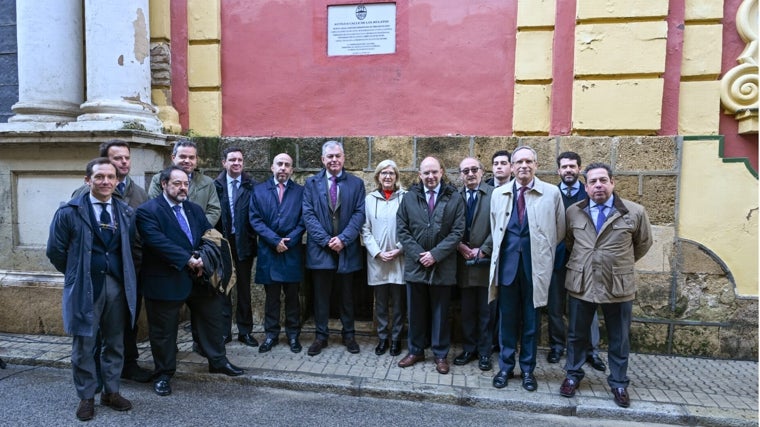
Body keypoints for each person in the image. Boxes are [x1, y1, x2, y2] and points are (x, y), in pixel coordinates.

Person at [137, 166, 244, 397]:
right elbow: (157, 241)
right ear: (164, 184)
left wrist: (203, 258)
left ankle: (217, 361)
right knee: (164, 332)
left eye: (185, 183)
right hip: (165, 279)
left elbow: (209, 234)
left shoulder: (194, 209)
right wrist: (187, 259)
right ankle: (164, 373)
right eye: (177, 183)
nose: (182, 187)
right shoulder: (148, 211)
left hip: (199, 279)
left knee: (212, 320)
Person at [47, 157, 138, 421]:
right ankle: (87, 396)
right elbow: (55, 251)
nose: (106, 181)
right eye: (99, 177)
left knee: (114, 342)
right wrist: (77, 275)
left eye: (111, 177)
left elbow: (127, 249)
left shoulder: (125, 212)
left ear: (117, 181)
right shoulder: (69, 212)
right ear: (88, 180)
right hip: (86, 287)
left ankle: (111, 391)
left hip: (117, 287)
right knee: (84, 344)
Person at [559, 163, 652, 408]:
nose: (598, 185)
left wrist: (617, 263)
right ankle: (573, 375)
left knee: (619, 337)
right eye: (592, 182)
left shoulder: (635, 212)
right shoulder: (573, 212)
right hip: (582, 282)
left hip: (618, 285)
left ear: (612, 182)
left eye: (603, 180)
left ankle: (619, 382)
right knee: (576, 335)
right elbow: (570, 241)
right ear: (586, 187)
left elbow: (642, 244)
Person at [72, 140, 152, 384]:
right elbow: (64, 244)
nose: (124, 162)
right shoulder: (83, 194)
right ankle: (94, 372)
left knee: (127, 322)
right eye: (118, 158)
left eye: (127, 158)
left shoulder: (139, 193)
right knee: (94, 326)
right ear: (105, 162)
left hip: (130, 271)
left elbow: (145, 231)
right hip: (95, 274)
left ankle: (127, 365)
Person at [488, 146, 565, 391]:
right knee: (507, 321)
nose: (524, 165)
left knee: (531, 323)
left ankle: (528, 371)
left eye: (528, 161)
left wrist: (541, 251)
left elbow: (559, 230)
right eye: (518, 161)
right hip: (508, 268)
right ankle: (506, 367)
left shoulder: (551, 193)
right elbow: (494, 227)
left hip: (535, 268)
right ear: (511, 166)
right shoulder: (498, 193)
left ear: (536, 165)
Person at [396, 156, 465, 375]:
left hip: (442, 265)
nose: (430, 176)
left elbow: (457, 232)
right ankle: (416, 350)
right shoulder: (409, 198)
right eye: (426, 173)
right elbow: (402, 229)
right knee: (415, 312)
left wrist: (435, 254)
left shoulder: (454, 197)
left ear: (442, 172)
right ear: (420, 175)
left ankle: (441, 354)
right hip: (416, 265)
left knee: (440, 313)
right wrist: (419, 255)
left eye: (434, 172)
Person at [303, 141, 366, 356]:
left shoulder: (356, 184)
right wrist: (327, 240)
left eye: (337, 156)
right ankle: (321, 336)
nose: (334, 160)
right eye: (329, 156)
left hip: (346, 250)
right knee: (321, 296)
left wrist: (344, 239)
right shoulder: (311, 183)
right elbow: (308, 215)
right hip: (321, 250)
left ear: (344, 158)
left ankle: (349, 334)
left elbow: (359, 214)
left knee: (347, 295)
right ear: (323, 160)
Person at [546, 152, 605, 372]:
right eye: (564, 167)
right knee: (554, 306)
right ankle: (557, 346)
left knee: (587, 307)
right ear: (558, 171)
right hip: (556, 259)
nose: (568, 170)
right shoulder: (550, 194)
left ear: (579, 169)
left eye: (572, 166)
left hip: (584, 261)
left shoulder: (590, 192)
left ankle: (591, 351)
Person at [250, 153, 306, 353]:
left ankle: (293, 336)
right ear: (272, 167)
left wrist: (288, 242)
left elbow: (303, 220)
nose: (283, 168)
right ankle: (271, 335)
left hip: (291, 252)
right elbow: (255, 219)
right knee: (271, 298)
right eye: (279, 164)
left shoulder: (300, 192)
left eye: (287, 165)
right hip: (269, 252)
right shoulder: (258, 191)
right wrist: (275, 241)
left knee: (292, 298)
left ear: (292, 170)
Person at [213, 147, 258, 347]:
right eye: (232, 160)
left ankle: (245, 331)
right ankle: (224, 331)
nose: (236, 163)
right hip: (223, 242)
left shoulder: (251, 185)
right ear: (224, 163)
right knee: (223, 288)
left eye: (240, 159)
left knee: (244, 289)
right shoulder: (216, 185)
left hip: (244, 242)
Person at [361, 159, 406, 357]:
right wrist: (377, 252)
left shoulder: (404, 198)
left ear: (396, 177)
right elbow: (365, 229)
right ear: (378, 176)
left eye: (391, 173)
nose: (387, 176)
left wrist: (399, 249)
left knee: (398, 303)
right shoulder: (369, 199)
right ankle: (382, 338)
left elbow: (410, 228)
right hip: (377, 259)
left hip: (398, 258)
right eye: (383, 173)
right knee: (380, 303)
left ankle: (396, 338)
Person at [454, 157, 494, 371]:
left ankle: (485, 352)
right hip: (463, 261)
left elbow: (499, 225)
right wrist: (460, 245)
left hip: (485, 262)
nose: (470, 174)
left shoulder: (493, 194)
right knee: (467, 310)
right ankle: (469, 349)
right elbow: (450, 225)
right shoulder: (455, 196)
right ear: (460, 174)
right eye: (465, 171)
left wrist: (484, 248)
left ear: (482, 171)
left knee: (486, 311)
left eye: (474, 170)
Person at [148, 138, 221, 227]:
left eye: (191, 157)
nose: (187, 161)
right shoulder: (159, 180)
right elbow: (155, 207)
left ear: (196, 160)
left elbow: (214, 210)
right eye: (182, 156)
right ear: (173, 158)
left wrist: (200, 228)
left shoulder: (207, 182)